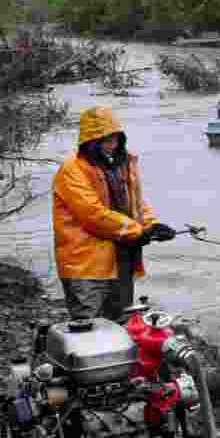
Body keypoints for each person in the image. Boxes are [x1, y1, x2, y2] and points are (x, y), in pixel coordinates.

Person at [52, 106, 176, 321]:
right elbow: (93, 215)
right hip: (86, 264)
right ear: (91, 141)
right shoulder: (71, 171)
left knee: (121, 321)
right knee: (88, 325)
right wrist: (139, 232)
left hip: (122, 258)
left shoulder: (125, 163)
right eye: (105, 139)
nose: (112, 144)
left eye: (115, 139)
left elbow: (135, 203)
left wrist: (152, 226)